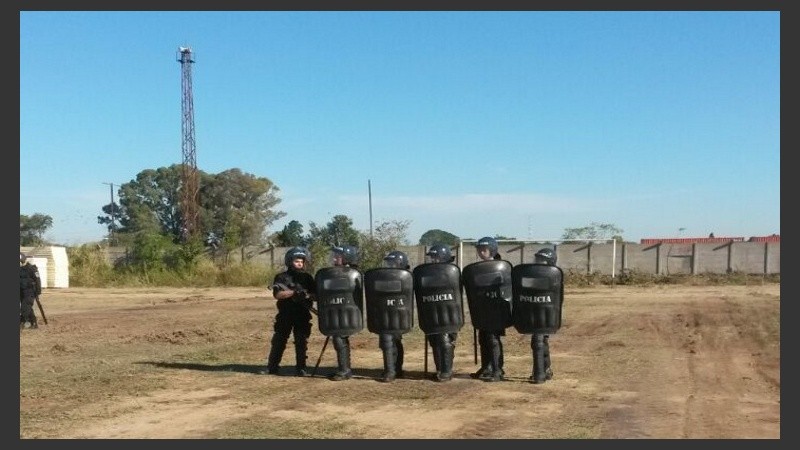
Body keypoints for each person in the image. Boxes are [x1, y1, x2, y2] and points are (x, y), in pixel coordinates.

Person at [263, 247, 316, 376]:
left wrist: (306, 295)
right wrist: (293, 293)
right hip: (285, 314)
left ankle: (301, 368)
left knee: (301, 341)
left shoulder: (307, 278)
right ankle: (272, 367)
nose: (300, 264)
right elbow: (278, 294)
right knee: (279, 340)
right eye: (297, 261)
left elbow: (315, 294)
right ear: (289, 261)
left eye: (301, 261)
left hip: (302, 313)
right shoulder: (281, 277)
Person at [413, 243, 463, 382]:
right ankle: (439, 369)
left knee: (445, 339)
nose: (433, 260)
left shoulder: (451, 271)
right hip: (431, 311)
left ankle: (447, 371)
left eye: (436, 257)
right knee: (434, 340)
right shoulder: (425, 272)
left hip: (448, 313)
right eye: (432, 257)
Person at [467, 237, 510, 382]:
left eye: (483, 249)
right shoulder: (476, 268)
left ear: (492, 250)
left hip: (496, 310)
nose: (480, 252)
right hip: (482, 309)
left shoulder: (499, 267)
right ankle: (486, 367)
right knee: (483, 338)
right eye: (478, 249)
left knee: (493, 339)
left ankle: (498, 369)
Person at [371, 251, 411, 382]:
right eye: (388, 263)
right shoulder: (383, 278)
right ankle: (392, 370)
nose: (390, 265)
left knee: (391, 339)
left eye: (392, 263)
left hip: (400, 314)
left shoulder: (406, 277)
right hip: (385, 313)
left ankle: (392, 371)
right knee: (389, 339)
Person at [326, 245, 361, 381]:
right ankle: (344, 369)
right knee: (338, 337)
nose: (334, 258)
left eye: (338, 256)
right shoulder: (333, 273)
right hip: (335, 309)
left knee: (339, 338)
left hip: (349, 311)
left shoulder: (354, 274)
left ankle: (344, 370)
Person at [528, 248, 562, 384]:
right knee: (539, 341)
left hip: (547, 313)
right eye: (537, 260)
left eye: (541, 260)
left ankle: (539, 372)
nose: (538, 263)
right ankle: (545, 369)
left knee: (539, 340)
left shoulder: (553, 277)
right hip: (534, 311)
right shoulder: (532, 276)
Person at [20, 252, 42, 330]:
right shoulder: (20, 269)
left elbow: (38, 280)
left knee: (24, 308)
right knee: (28, 308)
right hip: (21, 292)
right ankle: (34, 323)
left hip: (30, 292)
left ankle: (22, 322)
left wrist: (38, 291)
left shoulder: (32, 268)